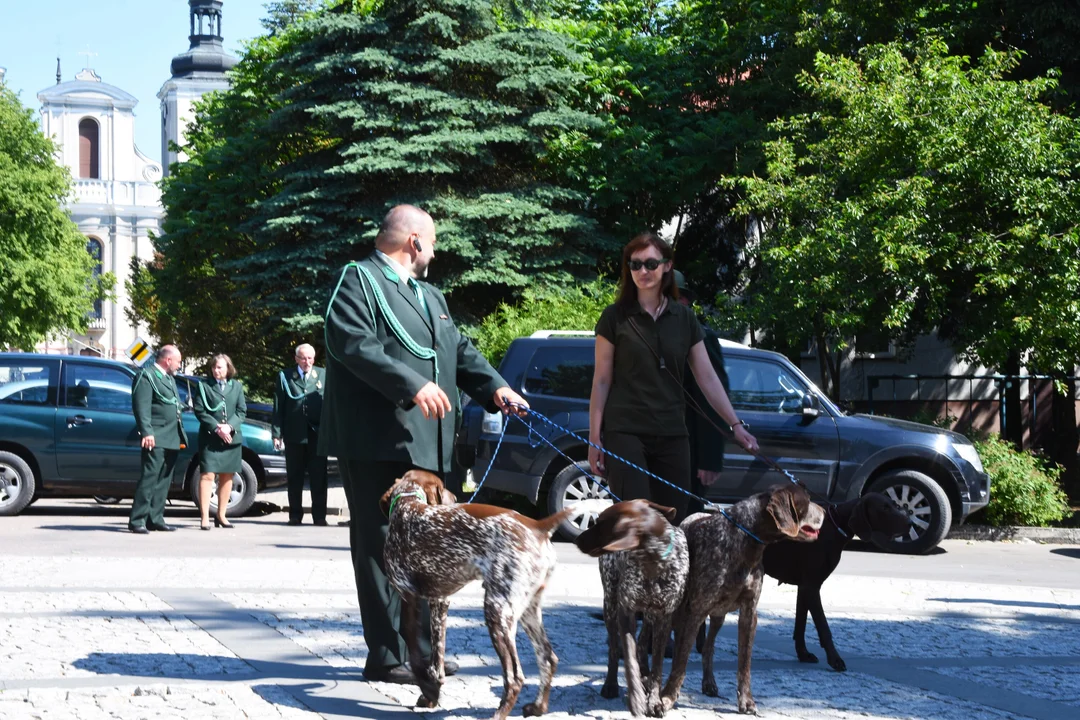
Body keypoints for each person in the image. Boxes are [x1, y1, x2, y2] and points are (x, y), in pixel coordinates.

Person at [320, 204, 530, 685]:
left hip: (430, 445)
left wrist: (496, 388)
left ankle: (422, 651)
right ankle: (388, 654)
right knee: (380, 547)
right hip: (377, 440)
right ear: (414, 241)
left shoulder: (430, 294)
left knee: (429, 551)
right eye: (432, 242)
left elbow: (459, 350)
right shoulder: (359, 279)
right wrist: (410, 384)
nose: (435, 251)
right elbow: (349, 340)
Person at [588, 233, 758, 522]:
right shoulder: (614, 317)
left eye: (651, 264)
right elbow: (601, 380)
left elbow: (707, 377)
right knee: (637, 519)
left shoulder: (685, 318)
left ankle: (667, 569)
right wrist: (594, 439)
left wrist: (735, 425)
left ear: (666, 266)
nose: (643, 271)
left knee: (672, 520)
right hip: (625, 431)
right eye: (635, 265)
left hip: (673, 433)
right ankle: (630, 568)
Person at [674, 270, 731, 514]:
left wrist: (709, 459)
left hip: (689, 454)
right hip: (651, 447)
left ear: (685, 302)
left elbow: (710, 399)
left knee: (683, 525)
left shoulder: (701, 338)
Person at [128, 345, 187, 534]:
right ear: (168, 360)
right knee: (150, 477)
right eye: (178, 361)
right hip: (157, 435)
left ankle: (155, 517)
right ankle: (137, 520)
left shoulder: (168, 378)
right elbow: (141, 406)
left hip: (171, 434)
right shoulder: (147, 376)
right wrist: (146, 432)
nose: (179, 365)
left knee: (164, 479)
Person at [273, 343, 328, 526]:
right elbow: (278, 407)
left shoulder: (322, 375)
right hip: (294, 434)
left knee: (319, 476)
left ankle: (319, 516)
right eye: (303, 358)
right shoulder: (286, 376)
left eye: (310, 358)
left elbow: (329, 405)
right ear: (296, 359)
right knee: (295, 477)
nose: (307, 362)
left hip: (317, 434)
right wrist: (277, 433)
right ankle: (295, 514)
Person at [192, 354, 247, 530]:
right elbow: (200, 410)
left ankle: (221, 515)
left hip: (231, 438)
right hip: (210, 438)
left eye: (220, 368)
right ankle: (205, 517)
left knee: (227, 475)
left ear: (228, 369)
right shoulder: (203, 386)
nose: (216, 371)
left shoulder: (236, 386)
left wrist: (229, 427)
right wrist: (217, 428)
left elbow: (241, 411)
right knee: (207, 475)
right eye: (214, 367)